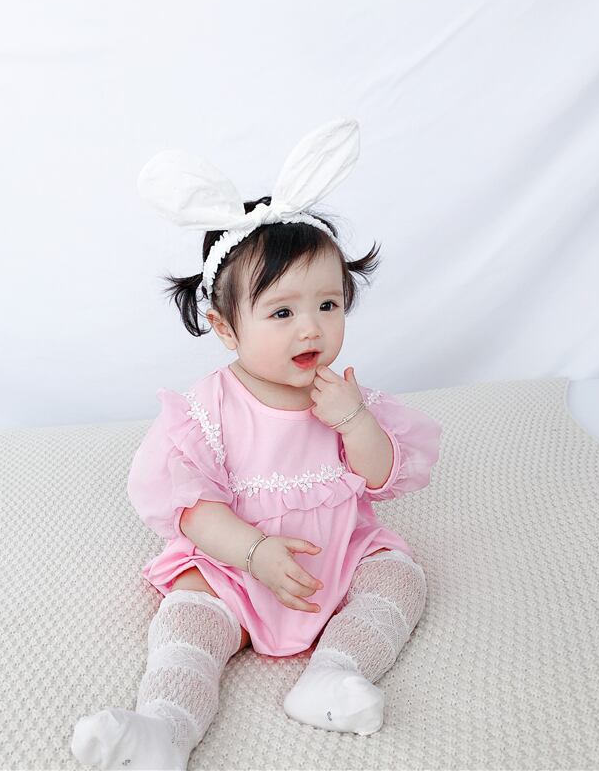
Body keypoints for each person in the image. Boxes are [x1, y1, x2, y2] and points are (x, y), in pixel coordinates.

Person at [71, 118, 442, 769]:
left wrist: (356, 422)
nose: (312, 329)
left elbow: (379, 476)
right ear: (225, 327)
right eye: (282, 312)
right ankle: (165, 727)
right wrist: (254, 552)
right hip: (236, 564)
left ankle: (334, 673)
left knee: (399, 577)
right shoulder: (207, 411)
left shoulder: (341, 395)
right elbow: (192, 508)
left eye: (328, 305)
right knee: (190, 612)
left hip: (335, 555)